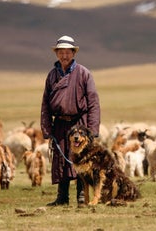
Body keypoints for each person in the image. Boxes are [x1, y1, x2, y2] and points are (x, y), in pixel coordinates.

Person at [40, 35, 101, 206]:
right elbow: (45, 103)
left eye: (68, 52)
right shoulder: (52, 75)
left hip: (79, 123)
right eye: (61, 52)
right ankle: (62, 197)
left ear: (73, 53)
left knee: (81, 159)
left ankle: (82, 196)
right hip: (59, 123)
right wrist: (47, 128)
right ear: (56, 53)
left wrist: (92, 130)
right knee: (60, 159)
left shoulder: (83, 73)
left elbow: (93, 103)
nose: (64, 55)